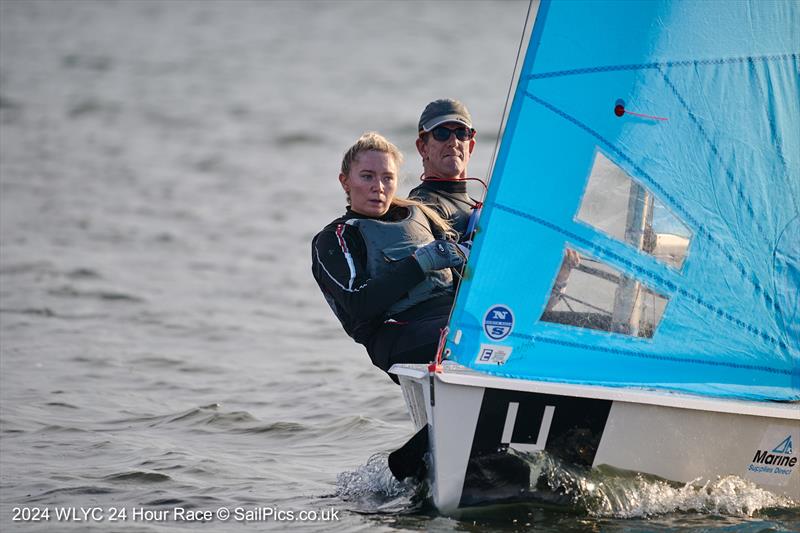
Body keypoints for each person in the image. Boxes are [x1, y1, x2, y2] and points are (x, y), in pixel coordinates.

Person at [311, 132, 466, 381]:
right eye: (367, 176)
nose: (378, 187)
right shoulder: (335, 238)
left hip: (450, 317)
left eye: (387, 178)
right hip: (396, 333)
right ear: (345, 182)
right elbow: (357, 304)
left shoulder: (420, 216)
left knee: (510, 330)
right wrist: (420, 263)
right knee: (467, 337)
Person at [409, 98, 482, 242]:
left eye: (461, 133)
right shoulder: (420, 206)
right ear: (423, 148)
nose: (454, 142)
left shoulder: (480, 208)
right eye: (441, 133)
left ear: (471, 146)